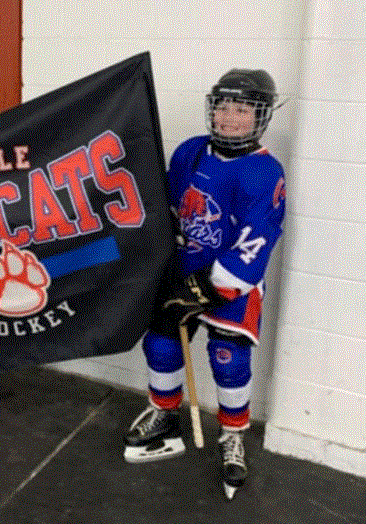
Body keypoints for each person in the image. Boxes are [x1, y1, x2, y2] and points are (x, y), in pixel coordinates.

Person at [122, 69, 286, 499]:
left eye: (242, 109)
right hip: (181, 270)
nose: (229, 117)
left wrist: (202, 291)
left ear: (260, 116)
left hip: (228, 285)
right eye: (223, 106)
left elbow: (256, 243)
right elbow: (170, 210)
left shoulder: (263, 172)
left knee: (227, 357)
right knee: (160, 344)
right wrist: (166, 264)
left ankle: (233, 435)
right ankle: (164, 412)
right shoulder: (191, 152)